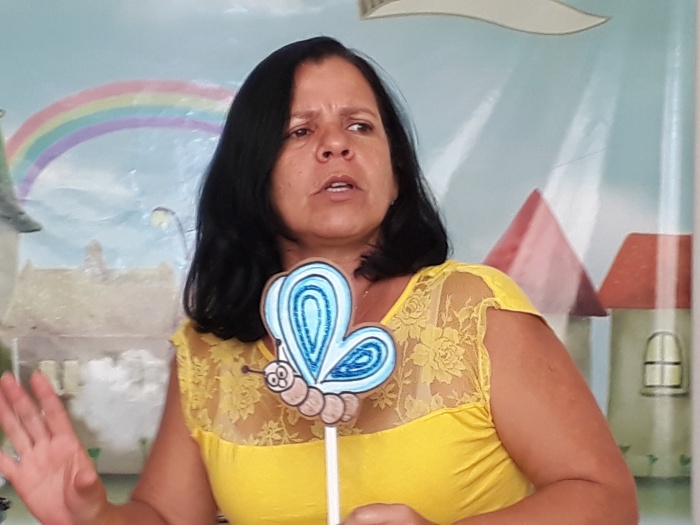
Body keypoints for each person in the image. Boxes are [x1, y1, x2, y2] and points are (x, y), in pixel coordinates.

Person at [0, 36, 638, 525]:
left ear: (395, 172)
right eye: (300, 131)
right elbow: (165, 519)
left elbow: (605, 499)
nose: (336, 145)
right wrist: (90, 515)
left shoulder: (478, 310)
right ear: (253, 174)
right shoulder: (206, 352)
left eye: (359, 126)